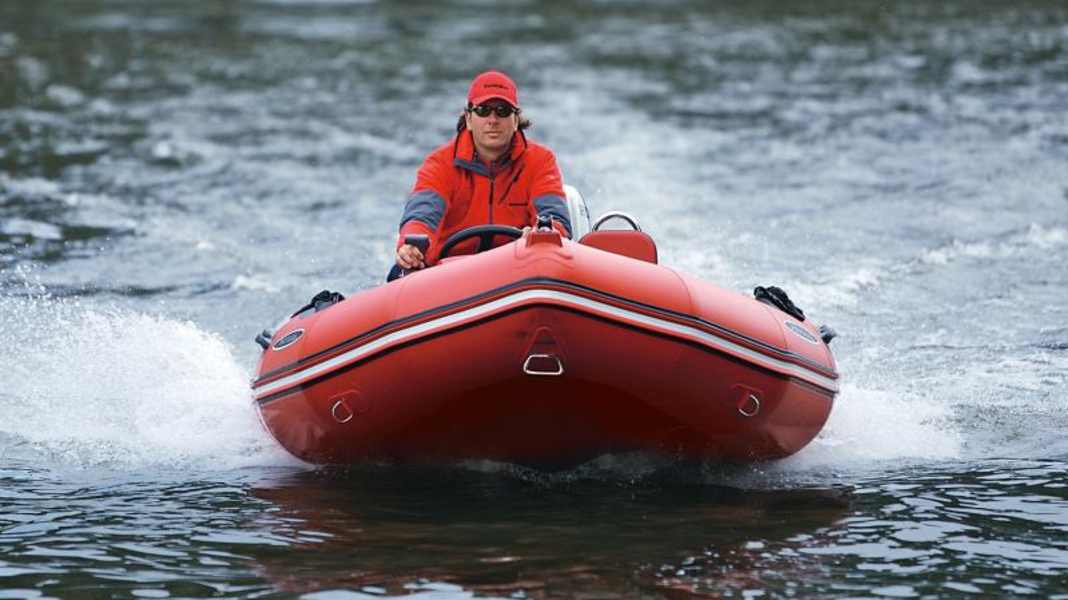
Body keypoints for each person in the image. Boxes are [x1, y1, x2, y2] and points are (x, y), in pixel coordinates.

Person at [392, 70, 571, 276]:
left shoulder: (541, 160)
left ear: (515, 120)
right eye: (483, 110)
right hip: (446, 276)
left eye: (502, 111)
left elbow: (554, 218)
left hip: (519, 271)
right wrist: (411, 246)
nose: (492, 119)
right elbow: (422, 215)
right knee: (399, 272)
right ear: (468, 118)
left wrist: (541, 235)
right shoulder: (439, 164)